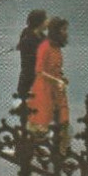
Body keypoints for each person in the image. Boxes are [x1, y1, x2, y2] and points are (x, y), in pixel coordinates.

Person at [29, 16, 70, 153]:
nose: (66, 32)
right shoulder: (44, 47)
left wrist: (62, 78)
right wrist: (57, 80)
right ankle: (32, 147)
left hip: (57, 89)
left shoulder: (57, 47)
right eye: (63, 29)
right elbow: (39, 71)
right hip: (44, 89)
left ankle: (62, 152)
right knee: (42, 125)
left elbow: (56, 68)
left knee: (63, 121)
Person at [16, 9, 48, 104]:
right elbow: (29, 67)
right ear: (39, 23)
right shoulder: (28, 40)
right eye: (45, 19)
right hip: (30, 84)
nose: (47, 22)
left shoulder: (42, 38)